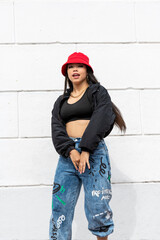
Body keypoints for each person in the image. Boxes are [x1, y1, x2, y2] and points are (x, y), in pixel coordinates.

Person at [49, 52, 126, 240]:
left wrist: (85, 149)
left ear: (87, 70)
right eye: (70, 67)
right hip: (68, 156)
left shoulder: (98, 92)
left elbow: (102, 118)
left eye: (79, 66)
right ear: (66, 72)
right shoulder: (61, 101)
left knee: (98, 206)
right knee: (60, 207)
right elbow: (57, 128)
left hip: (93, 153)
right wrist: (71, 150)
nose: (75, 69)